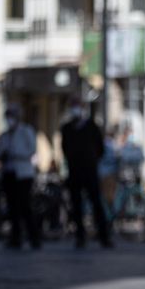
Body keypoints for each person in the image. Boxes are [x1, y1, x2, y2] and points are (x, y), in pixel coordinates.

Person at [61, 97, 113, 249]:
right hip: (74, 172)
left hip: (90, 171)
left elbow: (100, 148)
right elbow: (65, 149)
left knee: (96, 204)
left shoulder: (91, 126)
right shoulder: (67, 128)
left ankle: (104, 236)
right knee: (76, 206)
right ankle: (80, 237)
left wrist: (91, 160)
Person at [0, 105, 41, 249]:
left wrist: (15, 154)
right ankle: (16, 237)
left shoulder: (26, 131)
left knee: (25, 206)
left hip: (24, 174)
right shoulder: (4, 135)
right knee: (12, 207)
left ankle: (34, 238)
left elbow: (32, 149)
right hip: (9, 173)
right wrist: (2, 155)